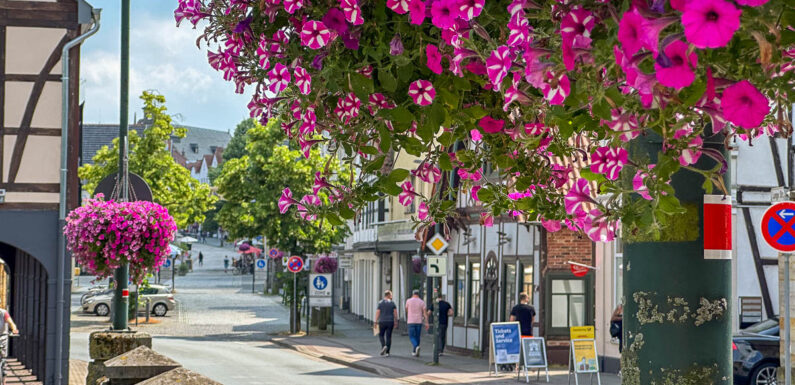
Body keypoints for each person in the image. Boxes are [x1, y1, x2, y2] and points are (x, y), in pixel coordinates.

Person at [374, 290, 399, 357]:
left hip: (382, 321)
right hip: (390, 321)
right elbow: (395, 313)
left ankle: (383, 346)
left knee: (381, 335)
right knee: (389, 336)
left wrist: (375, 321)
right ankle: (387, 352)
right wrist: (396, 321)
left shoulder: (380, 303)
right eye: (391, 295)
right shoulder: (392, 303)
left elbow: (378, 312)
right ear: (389, 295)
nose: (391, 296)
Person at [405, 289, 429, 357]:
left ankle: (416, 346)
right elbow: (425, 313)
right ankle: (415, 351)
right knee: (417, 336)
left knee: (412, 336)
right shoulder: (422, 302)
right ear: (418, 294)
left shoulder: (408, 301)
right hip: (419, 321)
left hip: (411, 321)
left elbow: (406, 309)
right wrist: (426, 322)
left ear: (413, 294)